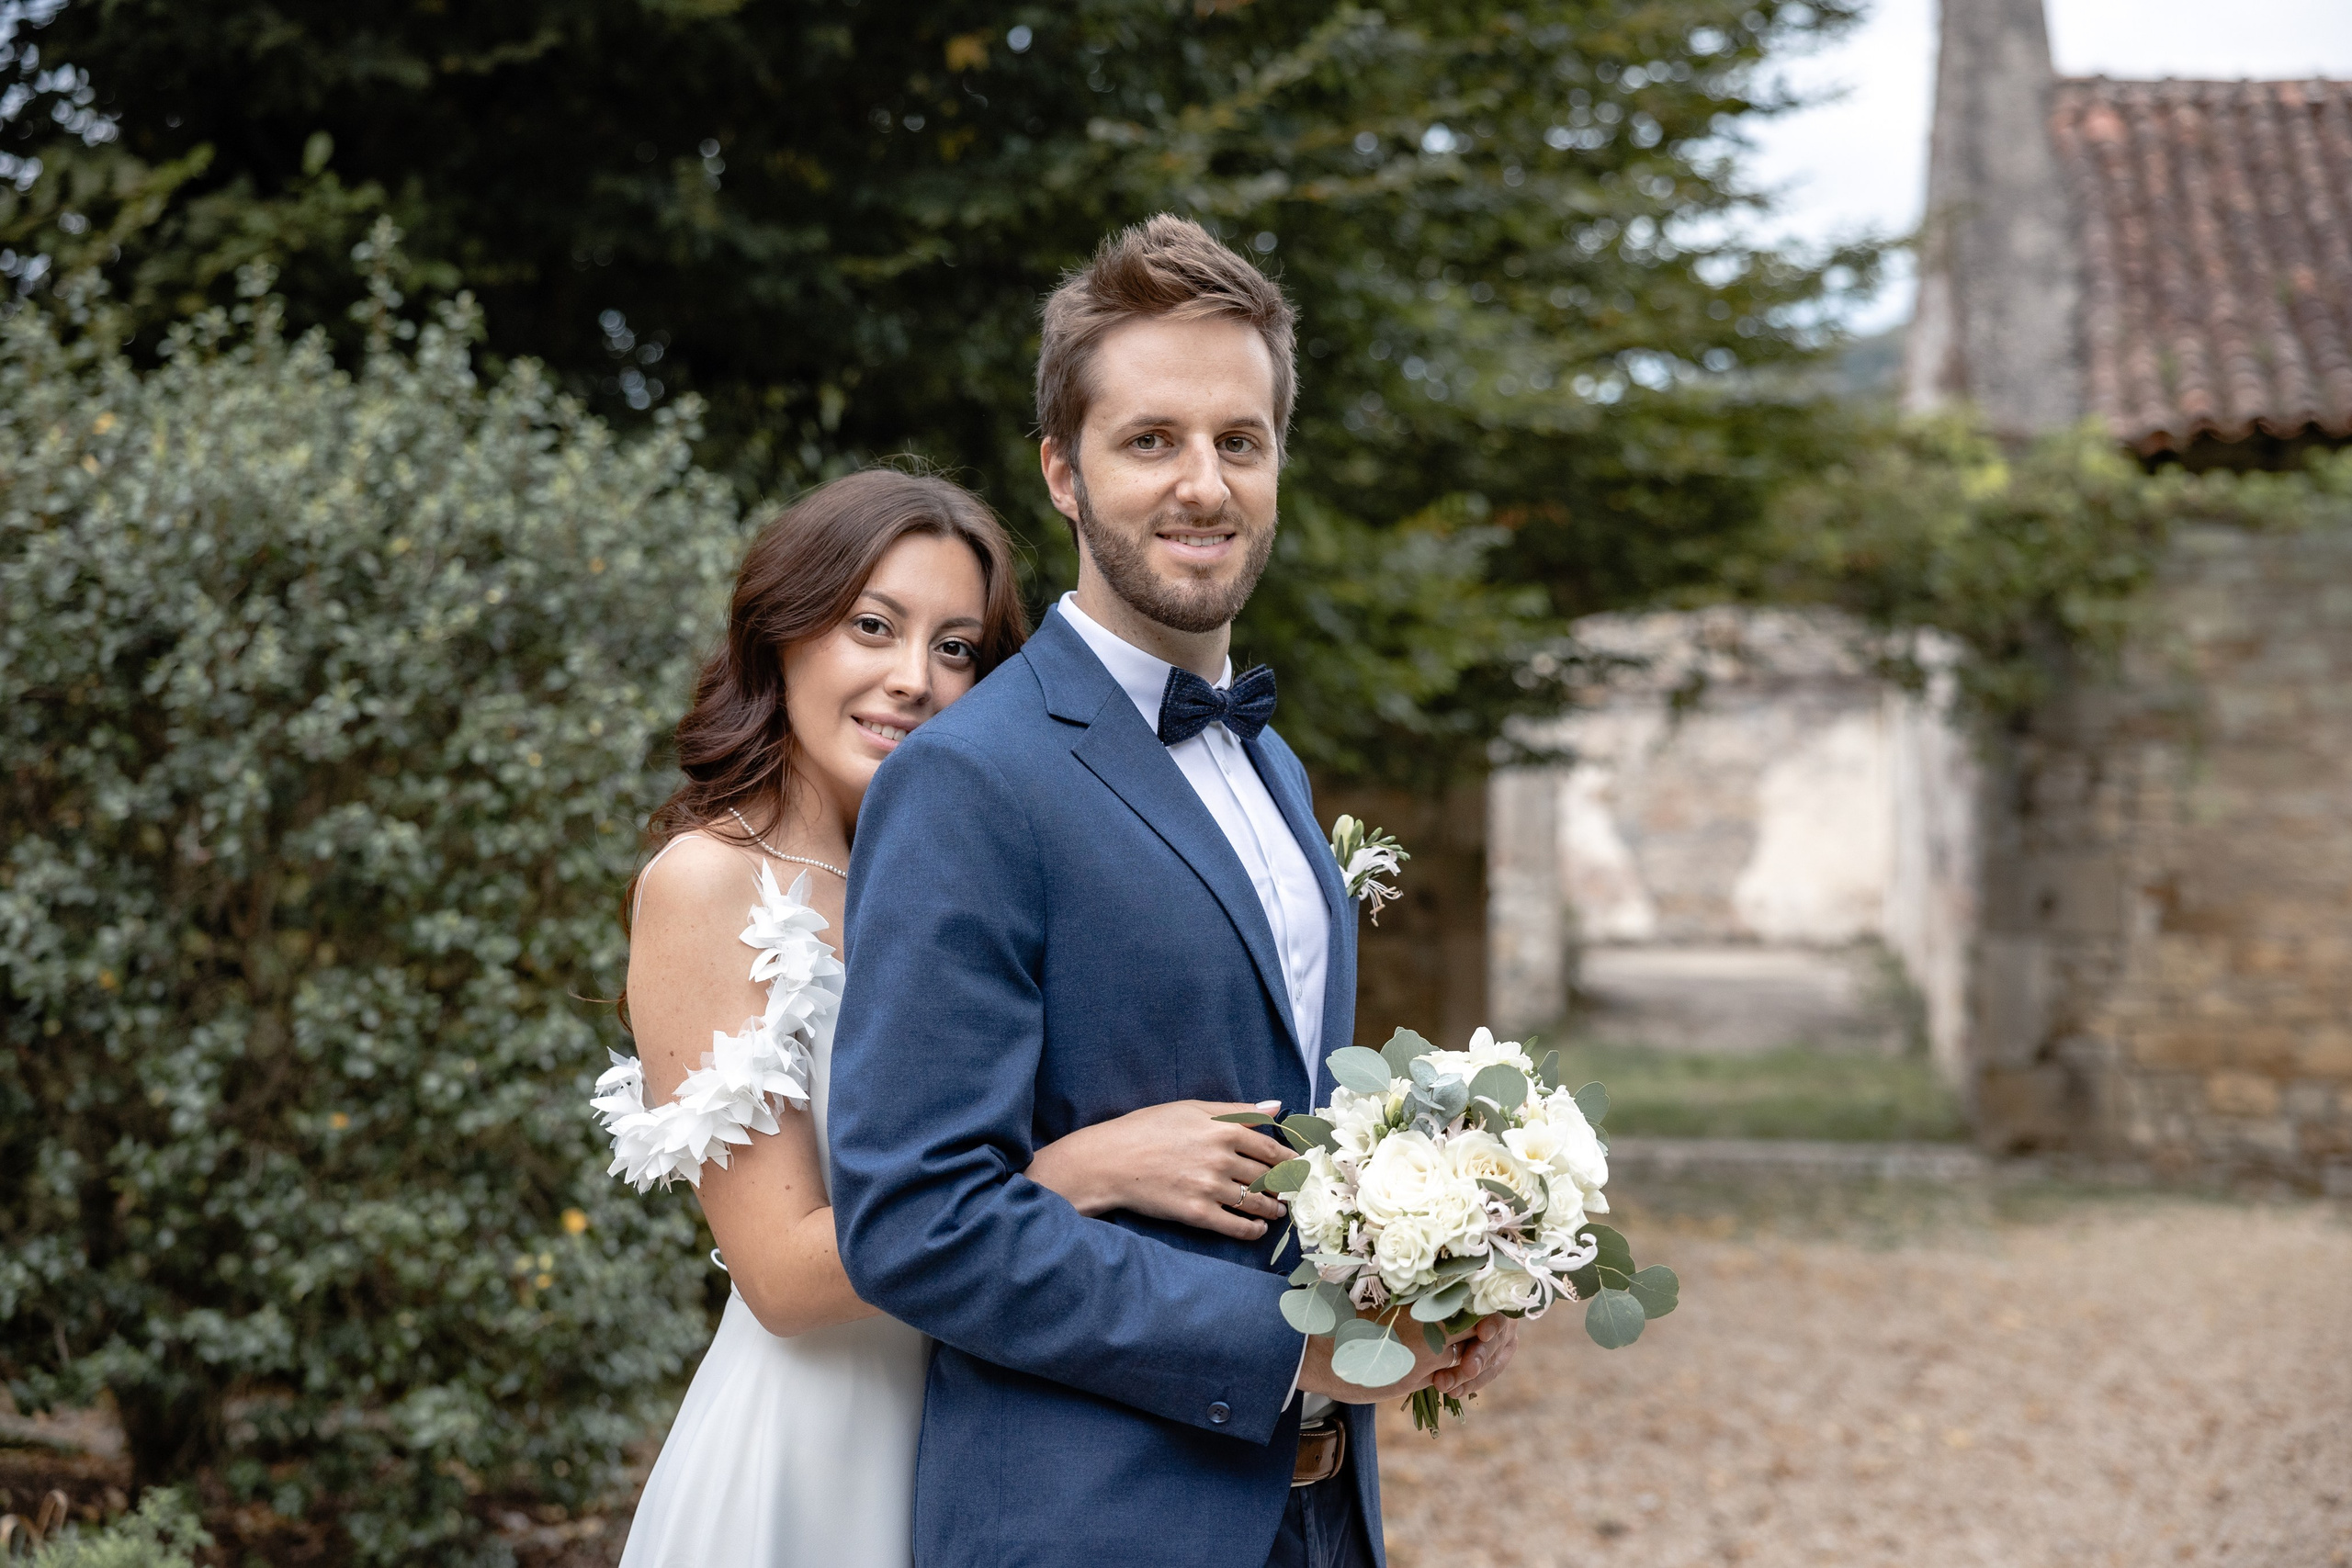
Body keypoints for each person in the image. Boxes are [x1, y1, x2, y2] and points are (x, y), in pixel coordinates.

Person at [828, 216, 1517, 1568]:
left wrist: (1439, 1268)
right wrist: (1293, 1346)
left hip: (1319, 1514)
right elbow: (916, 1219)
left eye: (1239, 441)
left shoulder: (1271, 759)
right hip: (1090, 1518)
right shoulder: (972, 778)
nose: (1202, 482)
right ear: (1062, 473)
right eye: (1151, 440)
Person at [596, 467, 1321, 1567]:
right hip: (823, 1442)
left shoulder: (983, 851)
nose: (911, 680)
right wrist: (1072, 1172)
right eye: (872, 627)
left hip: (1016, 1419)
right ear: (781, 635)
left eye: (957, 648)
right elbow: (783, 1279)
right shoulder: (709, 885)